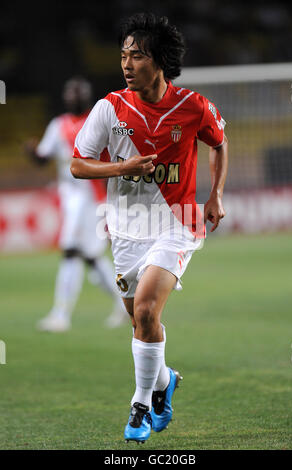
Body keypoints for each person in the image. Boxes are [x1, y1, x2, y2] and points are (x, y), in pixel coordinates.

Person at [71, 13, 228, 443]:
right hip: (125, 228)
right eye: (123, 54)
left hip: (178, 223)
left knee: (145, 310)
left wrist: (214, 195)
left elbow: (220, 142)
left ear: (158, 61)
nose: (126, 63)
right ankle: (164, 382)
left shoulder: (193, 106)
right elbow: (78, 165)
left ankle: (140, 406)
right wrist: (123, 166)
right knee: (141, 321)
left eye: (136, 55)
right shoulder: (110, 107)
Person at [25, 77, 128, 332]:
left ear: (87, 96)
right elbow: (43, 158)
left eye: (78, 93)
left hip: (91, 198)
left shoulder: (97, 122)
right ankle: (124, 304)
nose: (73, 97)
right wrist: (33, 153)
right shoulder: (58, 125)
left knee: (70, 250)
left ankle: (61, 315)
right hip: (70, 199)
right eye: (70, 93)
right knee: (91, 257)